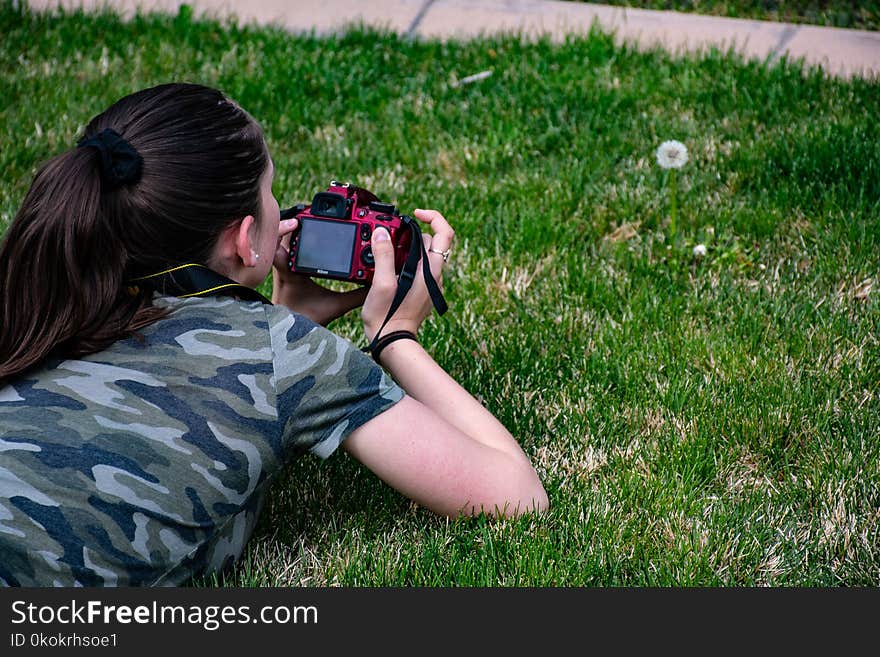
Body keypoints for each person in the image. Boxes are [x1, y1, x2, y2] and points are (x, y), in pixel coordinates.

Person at [0, 83, 548, 587]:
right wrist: (394, 334)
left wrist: (286, 320)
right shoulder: (282, 354)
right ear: (245, 239)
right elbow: (515, 500)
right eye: (270, 191)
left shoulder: (42, 295)